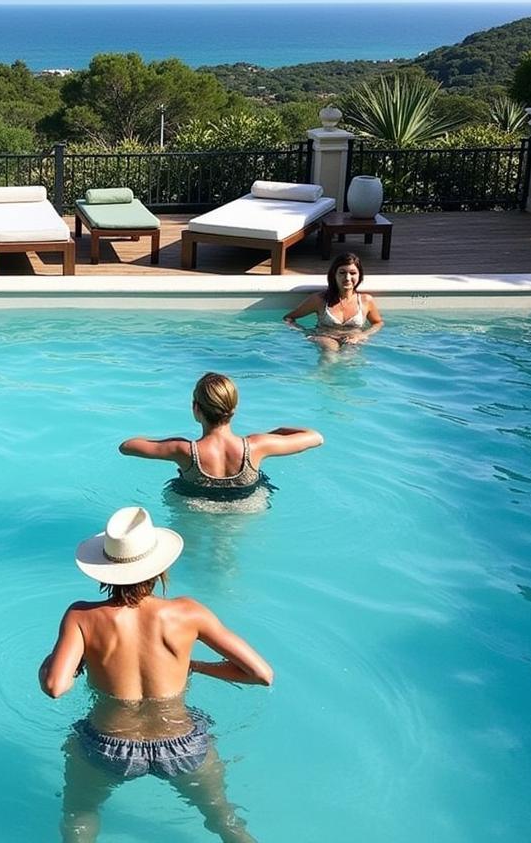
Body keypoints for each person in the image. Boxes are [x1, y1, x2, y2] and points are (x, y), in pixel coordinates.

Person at [39, 506, 273, 843]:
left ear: (104, 570)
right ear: (159, 567)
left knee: (79, 818)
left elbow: (56, 687)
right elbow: (261, 674)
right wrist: (199, 667)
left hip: (108, 745)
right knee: (226, 822)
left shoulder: (81, 617)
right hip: (182, 744)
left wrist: (65, 658)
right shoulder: (188, 612)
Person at [119, 373, 323, 492]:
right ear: (234, 407)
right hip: (247, 509)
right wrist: (276, 433)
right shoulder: (257, 446)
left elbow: (126, 447)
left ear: (196, 409)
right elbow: (315, 438)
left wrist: (171, 443)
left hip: (195, 508)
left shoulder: (183, 450)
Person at [283, 252, 384, 352]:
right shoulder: (319, 300)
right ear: (334, 275)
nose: (347, 278)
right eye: (342, 272)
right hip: (325, 338)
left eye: (352, 273)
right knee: (329, 355)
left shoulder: (366, 300)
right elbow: (288, 318)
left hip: (353, 340)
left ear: (359, 275)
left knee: (349, 356)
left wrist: (362, 335)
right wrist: (308, 333)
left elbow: (378, 323)